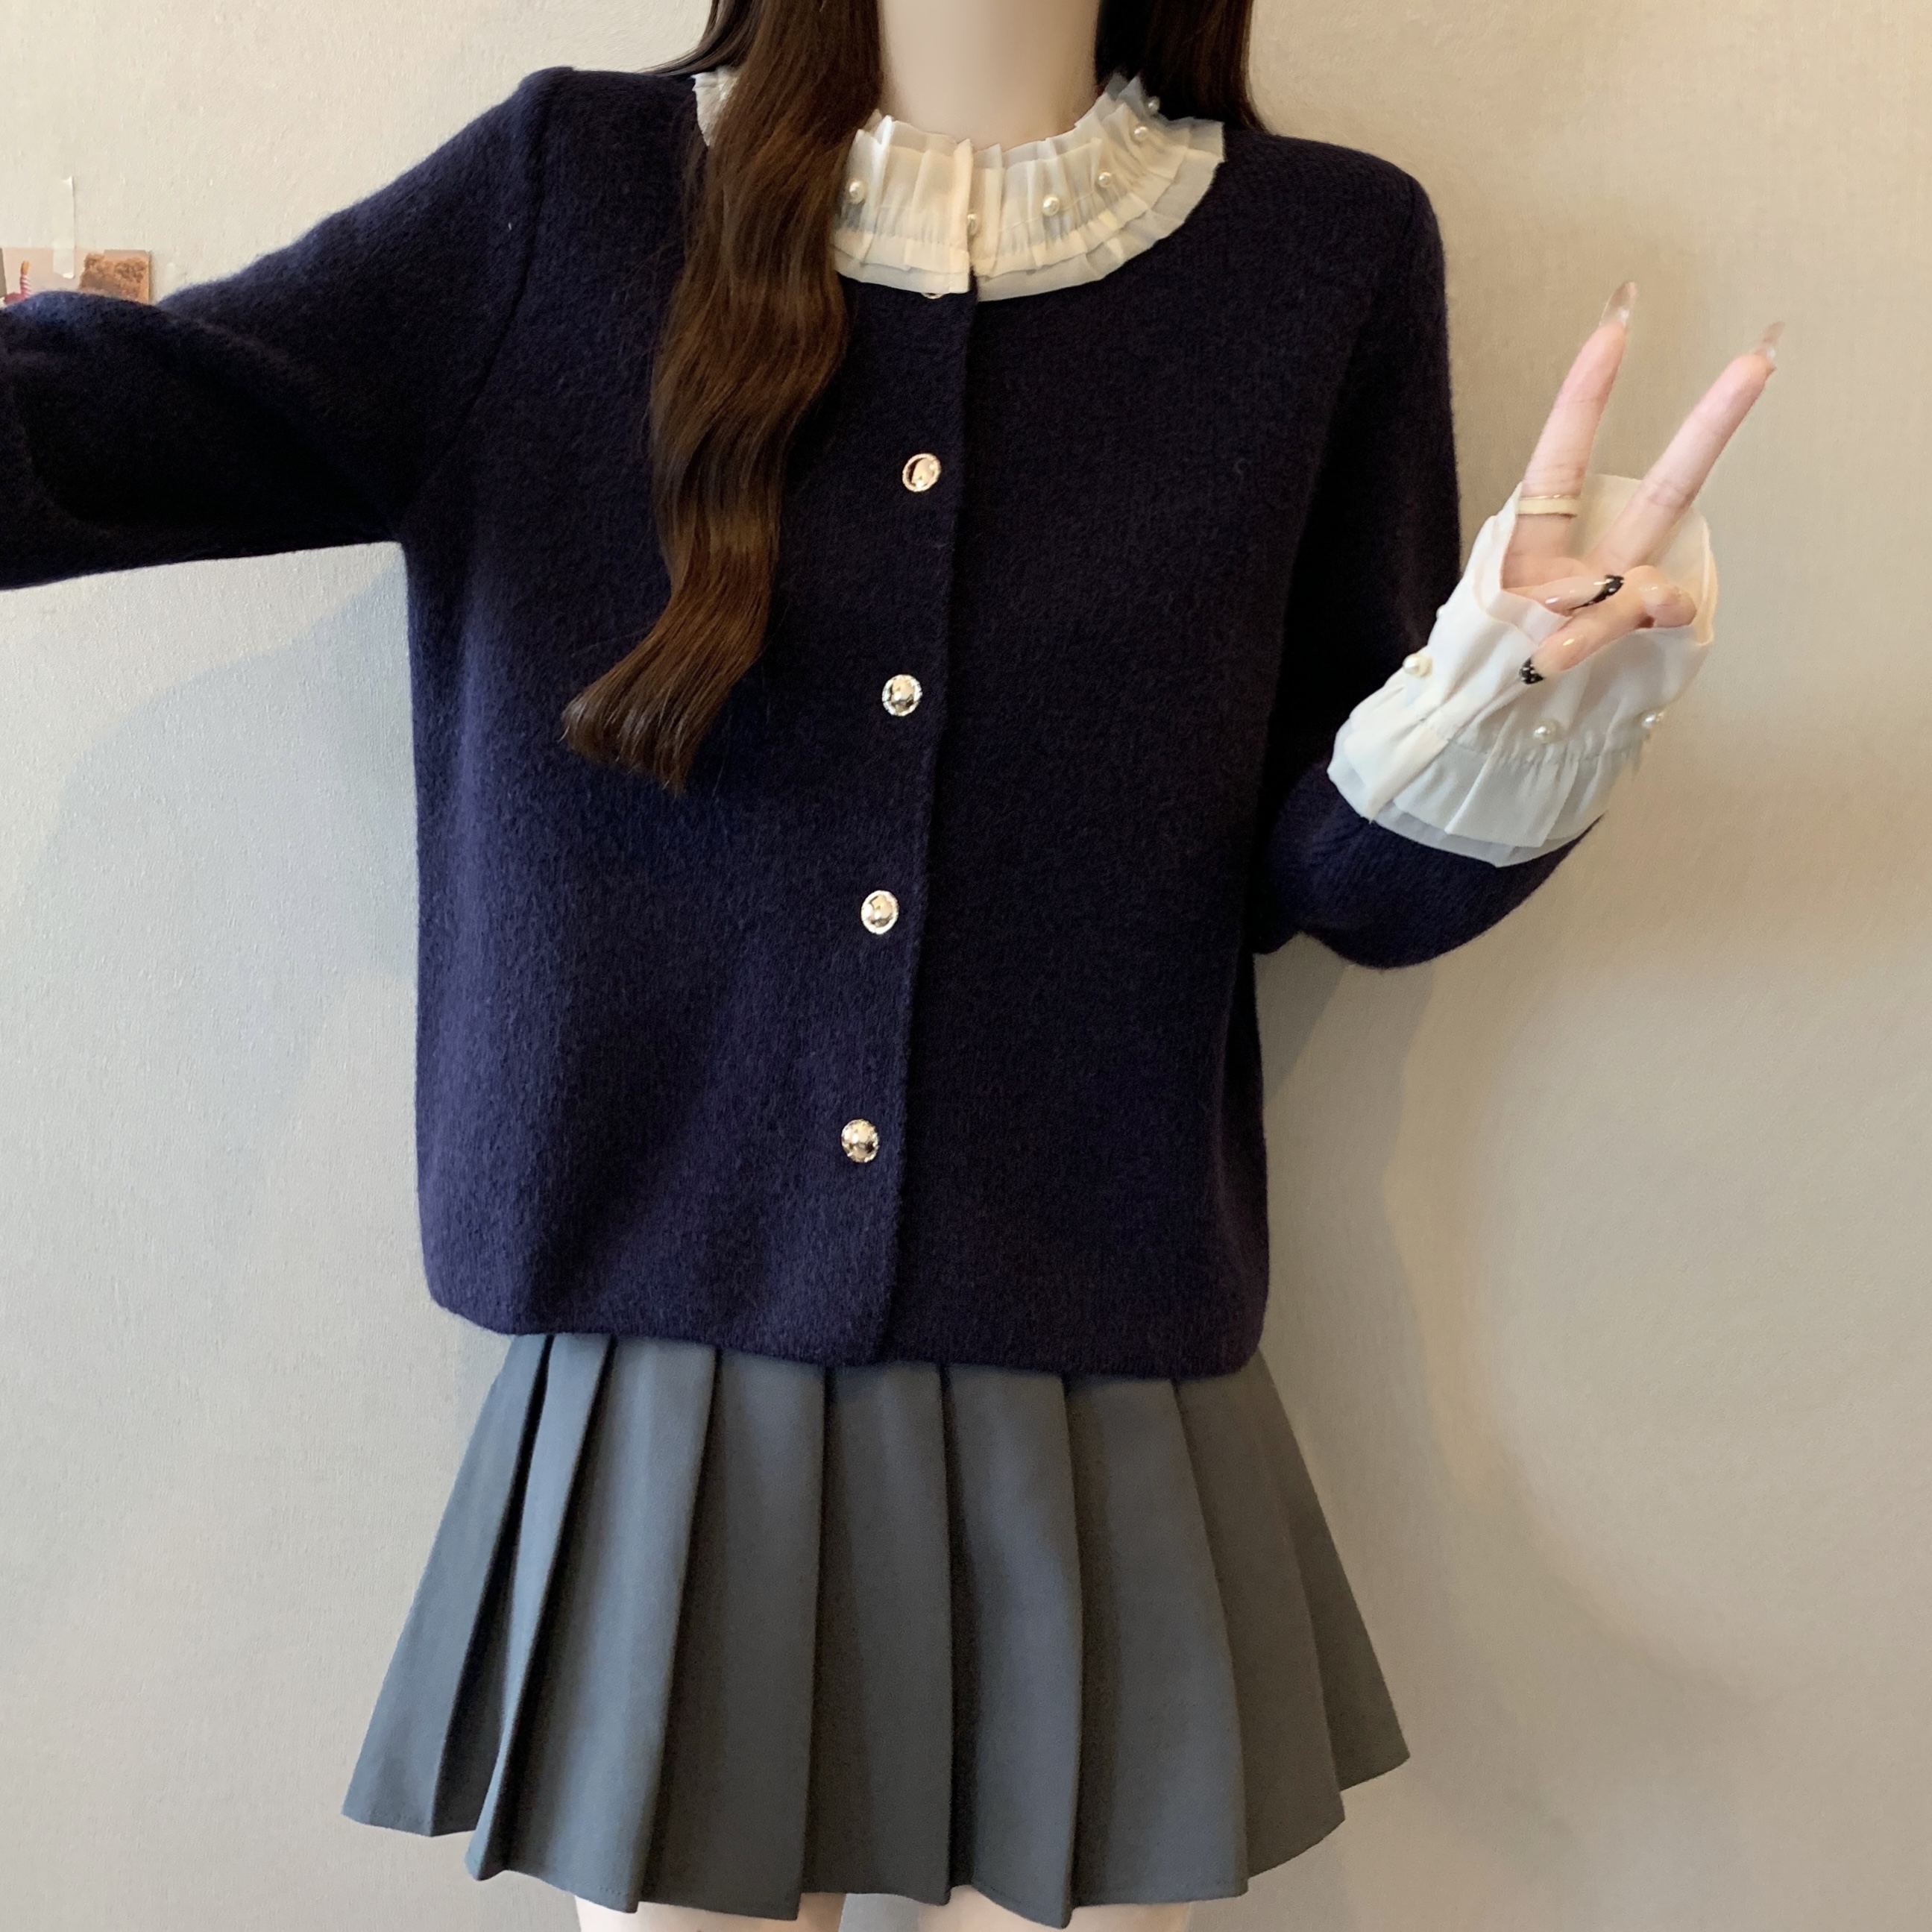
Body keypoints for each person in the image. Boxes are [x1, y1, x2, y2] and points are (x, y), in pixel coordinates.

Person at [0, 0, 1775, 1928]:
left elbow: (1336, 885)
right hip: (669, 1389)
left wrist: (1510, 715)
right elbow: (123, 426)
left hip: (1102, 1380)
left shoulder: (1321, 261)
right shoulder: (568, 196)